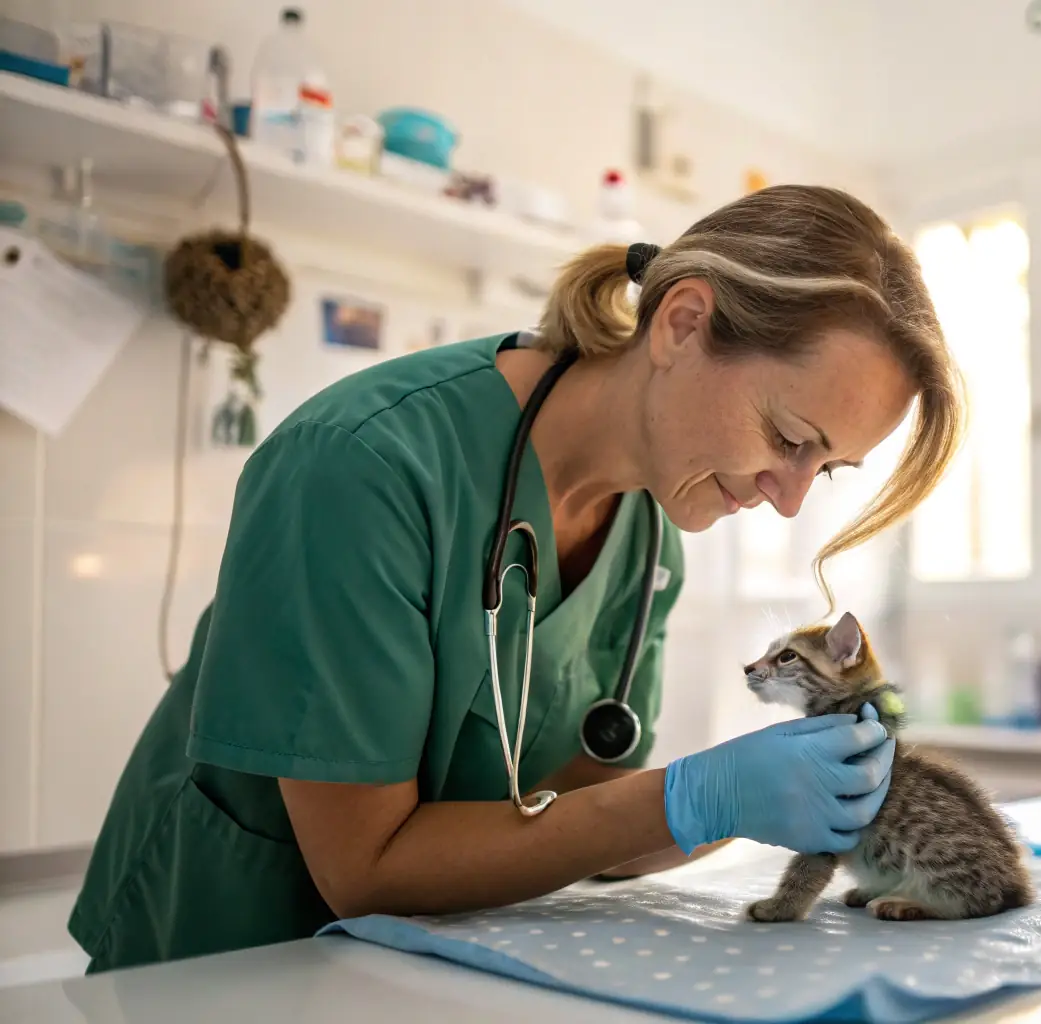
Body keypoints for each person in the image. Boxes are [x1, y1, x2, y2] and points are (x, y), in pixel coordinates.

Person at [69, 185, 964, 973]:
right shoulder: (363, 466)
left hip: (432, 964)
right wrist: (688, 796)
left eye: (828, 468)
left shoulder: (651, 536)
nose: (787, 500)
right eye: (787, 437)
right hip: (230, 965)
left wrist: (744, 802)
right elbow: (365, 872)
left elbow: (561, 821)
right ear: (682, 322)